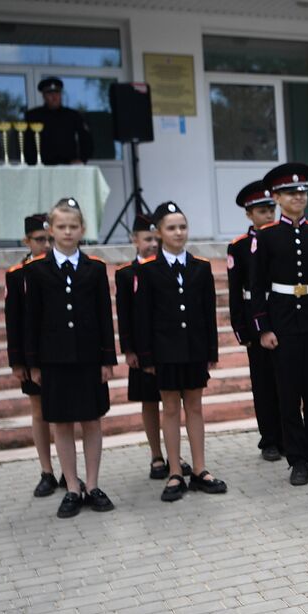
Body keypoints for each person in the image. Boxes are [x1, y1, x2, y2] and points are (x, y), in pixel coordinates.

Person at [22, 198, 116, 519]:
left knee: (91, 420)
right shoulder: (35, 271)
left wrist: (107, 360)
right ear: (50, 229)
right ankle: (72, 487)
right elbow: (31, 320)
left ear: (82, 230)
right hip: (54, 361)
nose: (67, 232)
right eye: (60, 226)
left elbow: (105, 316)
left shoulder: (95, 268)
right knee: (61, 423)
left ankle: (92, 484)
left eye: (73, 226)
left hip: (90, 358)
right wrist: (33, 363)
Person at [251, 162, 308, 486]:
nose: (298, 197)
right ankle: (297, 460)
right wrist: (264, 328)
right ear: (276, 197)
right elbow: (257, 286)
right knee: (288, 395)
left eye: (302, 191)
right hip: (283, 320)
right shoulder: (268, 236)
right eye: (291, 193)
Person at [134, 202, 227, 501]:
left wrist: (211, 349)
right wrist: (146, 356)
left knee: (196, 407)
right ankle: (175, 471)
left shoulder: (200, 267)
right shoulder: (148, 270)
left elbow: (207, 312)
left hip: (195, 349)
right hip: (165, 352)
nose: (178, 232)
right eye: (171, 228)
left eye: (182, 227)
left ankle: (199, 469)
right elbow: (143, 317)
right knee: (171, 408)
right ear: (159, 232)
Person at [226, 180, 283, 462]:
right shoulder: (239, 247)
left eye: (271, 209)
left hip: (283, 314)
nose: (268, 216)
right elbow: (235, 292)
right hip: (254, 318)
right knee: (262, 382)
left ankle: (288, 433)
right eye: (262, 211)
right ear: (249, 214)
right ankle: (269, 438)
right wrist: (241, 329)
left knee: (286, 380)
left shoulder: (281, 237)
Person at [5, 213, 60, 496]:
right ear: (27, 241)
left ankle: (68, 470)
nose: (47, 245)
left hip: (59, 352)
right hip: (31, 353)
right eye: (40, 240)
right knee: (39, 412)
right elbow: (13, 319)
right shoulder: (18, 274)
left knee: (65, 413)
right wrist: (17, 361)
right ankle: (46, 471)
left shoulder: (60, 267)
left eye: (50, 239)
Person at [114, 213, 171, 481]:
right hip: (142, 350)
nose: (153, 244)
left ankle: (175, 453)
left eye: (155, 238)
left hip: (169, 346)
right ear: (134, 240)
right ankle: (156, 454)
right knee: (150, 402)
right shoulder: (127, 274)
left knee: (173, 403)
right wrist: (129, 349)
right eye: (147, 239)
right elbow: (124, 314)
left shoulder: (168, 267)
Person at [24, 77, 93, 166]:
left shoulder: (73, 115)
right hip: (42, 167)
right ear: (43, 95)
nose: (54, 97)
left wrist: (82, 159)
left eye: (57, 92)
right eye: (49, 93)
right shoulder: (33, 116)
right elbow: (27, 143)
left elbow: (86, 140)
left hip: (68, 166)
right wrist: (31, 163)